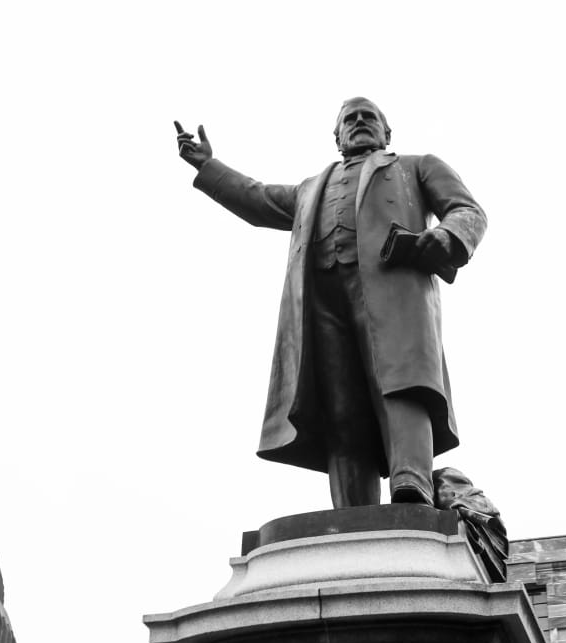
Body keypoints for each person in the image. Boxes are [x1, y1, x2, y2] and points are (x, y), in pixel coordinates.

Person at [174, 97, 486, 507]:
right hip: (323, 304)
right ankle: (353, 510)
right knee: (341, 407)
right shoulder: (310, 189)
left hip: (394, 296)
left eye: (368, 117)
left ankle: (412, 487)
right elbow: (257, 198)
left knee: (402, 388)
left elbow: (467, 210)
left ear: (387, 133)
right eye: (349, 119)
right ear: (336, 136)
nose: (359, 123)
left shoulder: (417, 166)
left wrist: (447, 235)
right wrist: (206, 166)